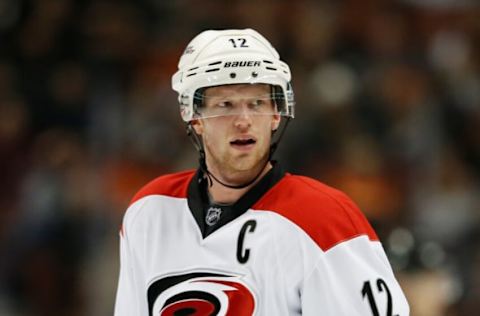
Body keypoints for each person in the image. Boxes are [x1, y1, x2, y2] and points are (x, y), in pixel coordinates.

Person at [114, 28, 410, 315]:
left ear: (276, 114)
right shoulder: (150, 210)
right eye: (225, 104)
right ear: (194, 117)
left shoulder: (325, 219)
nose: (244, 120)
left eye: (257, 103)